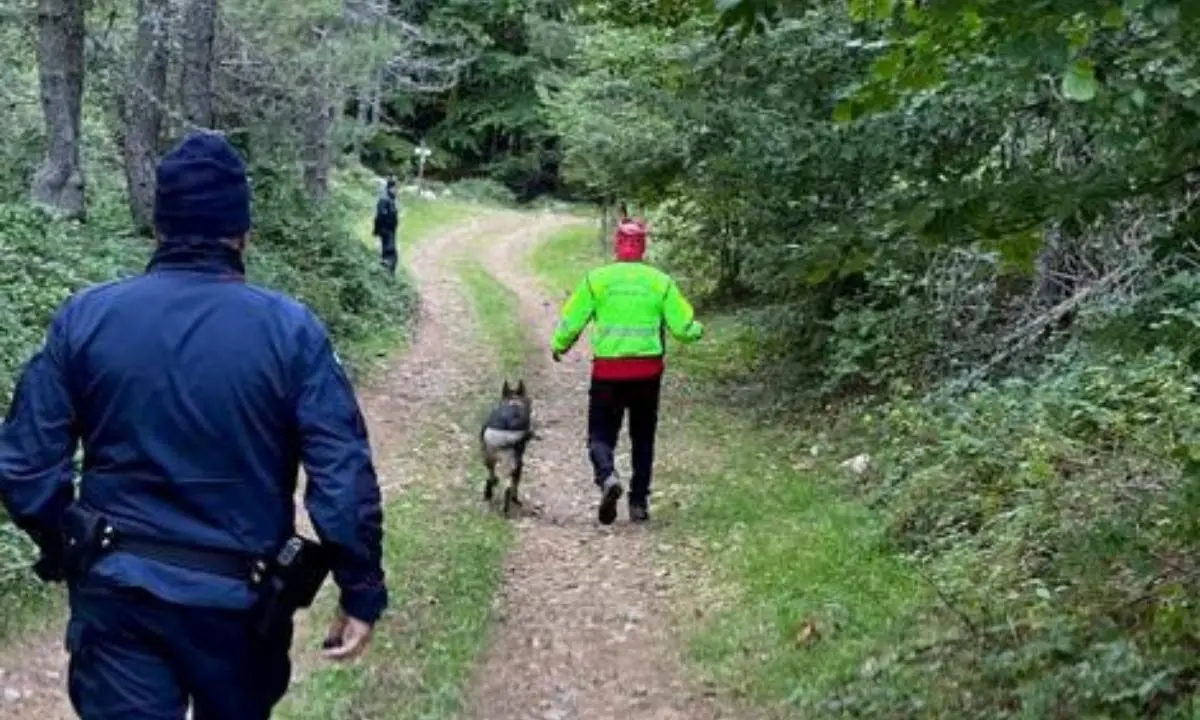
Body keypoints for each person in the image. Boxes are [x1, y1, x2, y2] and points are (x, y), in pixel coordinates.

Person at [0, 131, 388, 719]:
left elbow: (26, 464)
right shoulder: (292, 333)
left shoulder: (86, 319)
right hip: (241, 606)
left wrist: (68, 547)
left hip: (118, 594)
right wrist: (360, 589)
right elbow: (341, 477)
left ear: (159, 227)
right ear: (242, 232)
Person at [550, 218, 704, 525]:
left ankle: (607, 476)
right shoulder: (660, 282)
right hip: (648, 374)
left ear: (616, 245)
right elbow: (683, 329)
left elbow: (572, 321)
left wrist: (560, 345)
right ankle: (638, 504)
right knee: (643, 437)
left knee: (599, 435)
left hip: (608, 373)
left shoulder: (597, 280)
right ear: (643, 248)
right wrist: (697, 329)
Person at [373, 177, 399, 276]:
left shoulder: (390, 199)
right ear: (391, 188)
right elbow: (380, 216)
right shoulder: (385, 199)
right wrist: (378, 230)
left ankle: (388, 274)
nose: (397, 190)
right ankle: (387, 275)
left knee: (391, 254)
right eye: (396, 188)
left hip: (390, 230)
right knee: (390, 254)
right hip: (386, 231)